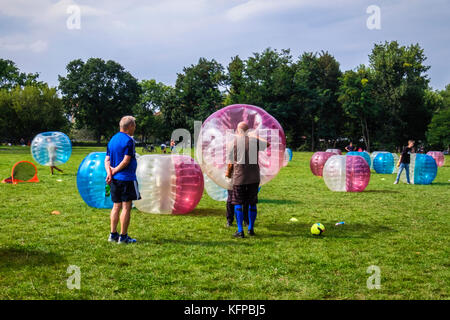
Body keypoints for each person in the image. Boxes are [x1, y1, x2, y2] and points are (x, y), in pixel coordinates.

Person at [227, 122, 270, 238]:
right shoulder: (254, 141)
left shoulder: (232, 143)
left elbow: (230, 162)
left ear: (237, 131)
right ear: (248, 131)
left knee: (237, 203)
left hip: (239, 177)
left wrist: (228, 174)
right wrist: (253, 136)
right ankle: (251, 228)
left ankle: (240, 231)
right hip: (254, 178)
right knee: (252, 203)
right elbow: (268, 144)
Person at [105, 116, 141, 244]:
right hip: (126, 178)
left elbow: (107, 159)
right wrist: (113, 171)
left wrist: (109, 172)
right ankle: (123, 237)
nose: (135, 127)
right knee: (126, 207)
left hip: (115, 180)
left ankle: (113, 234)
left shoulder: (112, 140)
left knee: (116, 206)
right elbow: (126, 160)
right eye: (134, 125)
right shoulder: (129, 141)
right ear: (130, 126)